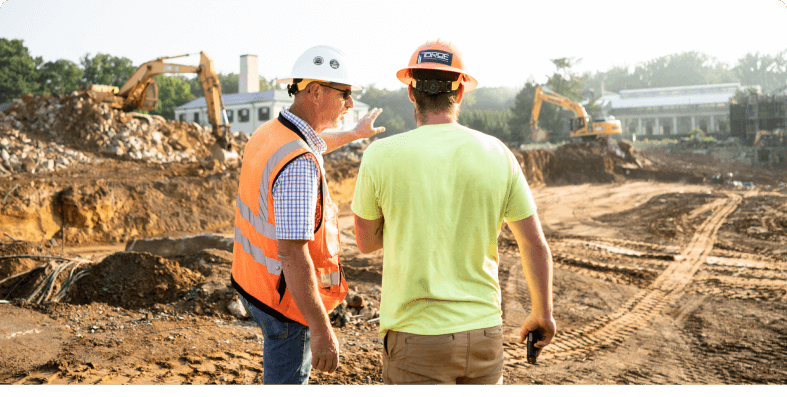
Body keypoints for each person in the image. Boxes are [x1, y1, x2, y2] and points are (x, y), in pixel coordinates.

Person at [351, 39, 556, 385]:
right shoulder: (498, 153)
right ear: (460, 93)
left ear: (412, 93)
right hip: (484, 337)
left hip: (417, 340)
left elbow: (366, 242)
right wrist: (542, 313)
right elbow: (534, 244)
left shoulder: (380, 155)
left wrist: (407, 222)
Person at [231, 44, 385, 384]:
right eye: (344, 93)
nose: (349, 103)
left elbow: (313, 142)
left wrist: (356, 134)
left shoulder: (270, 133)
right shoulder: (299, 162)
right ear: (315, 91)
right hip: (286, 300)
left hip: (253, 282)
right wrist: (320, 328)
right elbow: (291, 250)